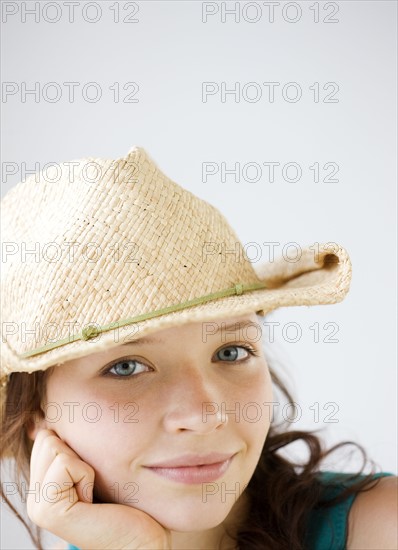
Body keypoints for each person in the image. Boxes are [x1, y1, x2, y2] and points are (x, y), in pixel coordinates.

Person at [1, 146, 396, 550]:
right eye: (126, 366)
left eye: (231, 352)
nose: (205, 414)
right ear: (37, 411)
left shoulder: (382, 528)